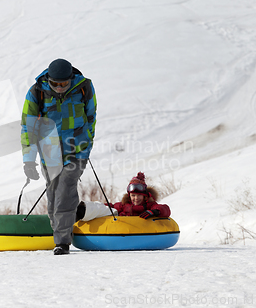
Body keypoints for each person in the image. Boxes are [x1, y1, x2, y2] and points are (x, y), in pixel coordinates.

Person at [21, 58, 97, 255]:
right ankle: (60, 232)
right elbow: (28, 127)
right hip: (49, 151)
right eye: (56, 84)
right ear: (49, 80)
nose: (61, 87)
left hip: (77, 149)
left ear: (71, 78)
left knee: (65, 187)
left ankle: (62, 241)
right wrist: (29, 160)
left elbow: (91, 117)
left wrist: (87, 143)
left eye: (64, 83)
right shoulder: (36, 92)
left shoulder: (84, 87)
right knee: (54, 192)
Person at [76, 172, 171, 221]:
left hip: (138, 230)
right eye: (133, 196)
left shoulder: (150, 205)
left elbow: (165, 209)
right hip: (122, 226)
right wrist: (102, 205)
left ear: (145, 196)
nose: (136, 198)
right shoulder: (125, 205)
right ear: (129, 196)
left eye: (139, 196)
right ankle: (82, 210)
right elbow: (112, 206)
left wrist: (154, 211)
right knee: (108, 209)